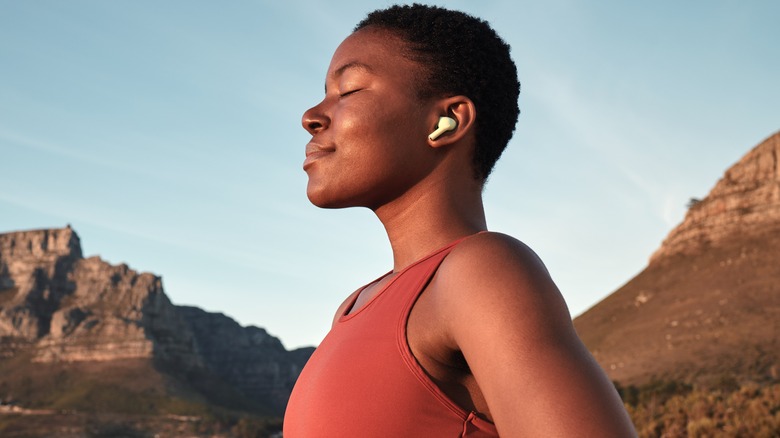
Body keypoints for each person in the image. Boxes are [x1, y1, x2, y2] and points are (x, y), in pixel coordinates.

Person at [284, 4, 636, 437]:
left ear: (445, 122)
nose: (311, 116)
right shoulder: (352, 308)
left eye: (350, 89)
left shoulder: (480, 272)